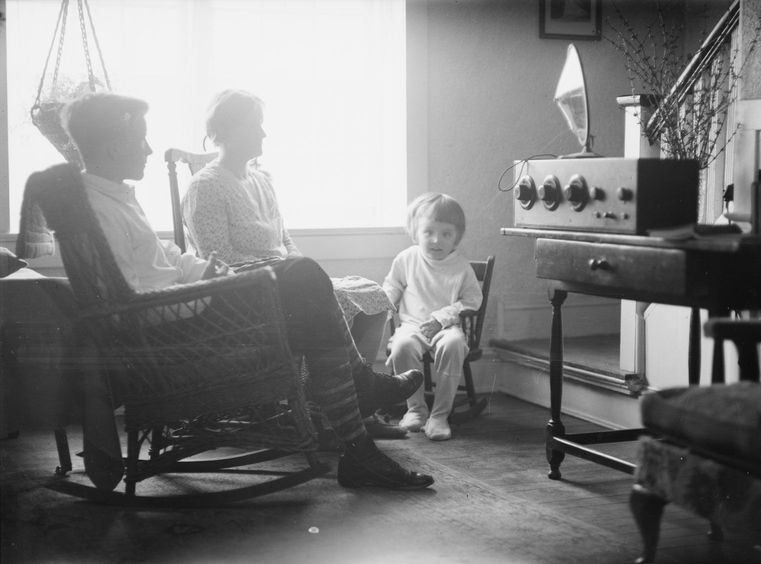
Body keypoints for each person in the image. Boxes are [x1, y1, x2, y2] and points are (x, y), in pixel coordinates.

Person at [59, 92, 433, 490]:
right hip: (174, 329)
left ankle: (358, 436)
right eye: (141, 139)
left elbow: (165, 257)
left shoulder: (115, 195)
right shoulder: (96, 213)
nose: (150, 149)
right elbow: (132, 304)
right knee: (302, 277)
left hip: (191, 303)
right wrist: (208, 288)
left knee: (304, 281)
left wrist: (203, 270)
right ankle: (361, 408)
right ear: (115, 147)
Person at [182, 89, 407, 438]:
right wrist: (285, 272)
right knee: (335, 298)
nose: (263, 133)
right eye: (255, 125)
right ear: (227, 130)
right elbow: (217, 258)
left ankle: (358, 403)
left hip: (290, 277)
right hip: (245, 290)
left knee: (372, 292)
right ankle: (339, 410)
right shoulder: (205, 185)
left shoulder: (262, 180)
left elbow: (284, 238)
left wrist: (301, 267)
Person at [383, 193, 483, 441]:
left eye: (446, 234)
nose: (436, 240)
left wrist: (442, 318)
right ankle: (415, 409)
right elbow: (391, 287)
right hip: (412, 325)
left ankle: (439, 415)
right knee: (402, 346)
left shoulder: (460, 266)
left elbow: (473, 300)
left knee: (453, 344)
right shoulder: (407, 259)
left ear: (456, 237)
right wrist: (383, 304)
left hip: (446, 327)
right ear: (416, 232)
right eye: (428, 232)